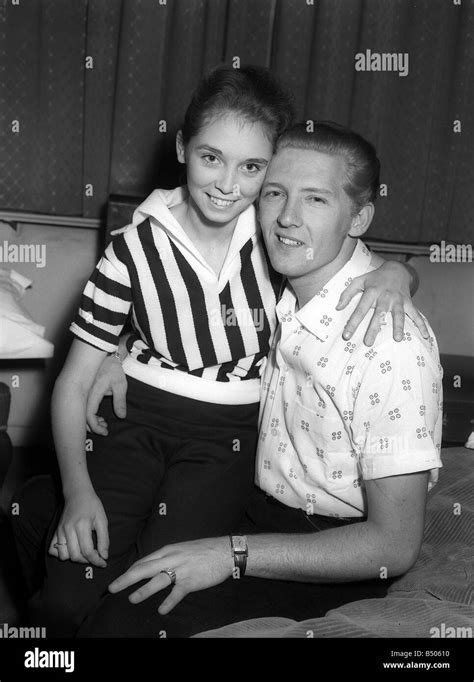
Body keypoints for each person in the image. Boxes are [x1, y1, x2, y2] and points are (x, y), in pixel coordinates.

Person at [12, 67, 423, 638]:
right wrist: (78, 492)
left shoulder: (275, 232)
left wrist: (401, 275)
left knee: (146, 593)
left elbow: (352, 251)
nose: (229, 184)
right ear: (182, 147)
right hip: (134, 418)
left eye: (253, 168)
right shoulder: (132, 247)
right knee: (65, 595)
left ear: (268, 170)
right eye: (211, 158)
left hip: (227, 437)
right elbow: (74, 380)